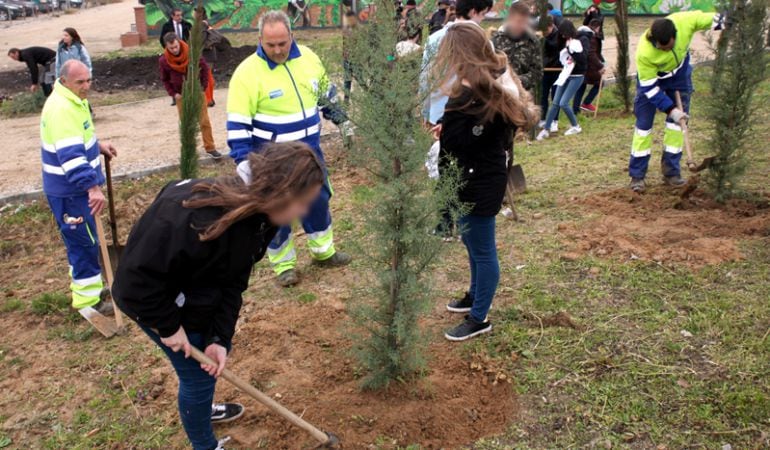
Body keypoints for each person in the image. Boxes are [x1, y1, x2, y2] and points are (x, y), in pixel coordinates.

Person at [112, 142, 325, 450]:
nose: (304, 212)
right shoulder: (189, 216)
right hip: (152, 299)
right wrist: (169, 327)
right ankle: (204, 444)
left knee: (206, 368)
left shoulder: (259, 219)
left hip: (196, 293)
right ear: (280, 192)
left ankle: (200, 408)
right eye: (302, 203)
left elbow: (234, 281)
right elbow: (133, 285)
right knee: (198, 378)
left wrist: (219, 338)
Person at [226, 11, 351, 287]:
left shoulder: (309, 59)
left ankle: (323, 251)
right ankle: (284, 265)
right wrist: (243, 161)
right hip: (271, 161)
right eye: (271, 45)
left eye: (282, 43)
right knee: (276, 211)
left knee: (318, 200)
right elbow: (237, 127)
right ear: (260, 40)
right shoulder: (246, 74)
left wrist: (343, 120)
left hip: (310, 153)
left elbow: (325, 97)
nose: (278, 50)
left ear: (291, 36)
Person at [433, 23, 538, 341]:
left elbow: (486, 134)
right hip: (471, 175)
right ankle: (474, 296)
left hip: (479, 181)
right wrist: (448, 129)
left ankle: (479, 318)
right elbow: (469, 137)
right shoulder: (473, 87)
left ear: (461, 54)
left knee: (482, 249)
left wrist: (454, 132)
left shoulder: (483, 92)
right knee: (472, 243)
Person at [40, 60, 117, 315]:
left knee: (88, 240)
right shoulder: (62, 109)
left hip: (75, 190)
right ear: (63, 81)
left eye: (88, 80)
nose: (86, 87)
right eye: (80, 82)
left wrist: (97, 146)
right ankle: (87, 304)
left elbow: (80, 138)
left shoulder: (73, 100)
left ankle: (92, 287)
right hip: (70, 191)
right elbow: (71, 157)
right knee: (83, 243)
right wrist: (92, 188)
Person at [628, 11, 725, 193]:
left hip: (679, 76)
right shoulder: (644, 52)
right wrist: (671, 110)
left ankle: (671, 172)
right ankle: (637, 176)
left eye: (668, 46)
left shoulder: (684, 22)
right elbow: (650, 89)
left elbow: (710, 19)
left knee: (676, 127)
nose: (664, 49)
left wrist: (732, 19)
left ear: (675, 36)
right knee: (643, 128)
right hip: (653, 80)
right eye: (661, 47)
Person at [421, 0, 494, 127]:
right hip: (472, 116)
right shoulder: (484, 42)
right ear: (473, 12)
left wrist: (424, 112)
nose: (482, 20)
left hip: (437, 114)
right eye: (483, 14)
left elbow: (425, 79)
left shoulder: (433, 39)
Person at [159, 33, 223, 160]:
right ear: (166, 47)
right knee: (186, 124)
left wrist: (203, 87)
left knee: (204, 121)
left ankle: (210, 147)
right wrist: (173, 94)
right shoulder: (163, 60)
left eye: (176, 46)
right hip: (181, 95)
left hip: (197, 92)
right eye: (171, 48)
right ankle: (189, 150)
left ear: (179, 42)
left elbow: (204, 69)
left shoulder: (192, 53)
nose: (175, 50)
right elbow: (165, 79)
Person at [536, 20, 586, 140]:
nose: (563, 36)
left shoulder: (578, 42)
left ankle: (576, 126)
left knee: (564, 103)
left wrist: (570, 51)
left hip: (576, 77)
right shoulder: (564, 42)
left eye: (564, 33)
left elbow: (582, 60)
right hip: (565, 75)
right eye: (561, 34)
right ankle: (546, 129)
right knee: (555, 102)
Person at [491, 1, 542, 95]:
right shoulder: (496, 40)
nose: (521, 26)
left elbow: (537, 72)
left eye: (525, 22)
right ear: (510, 19)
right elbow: (488, 67)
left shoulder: (533, 42)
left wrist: (520, 81)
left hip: (523, 96)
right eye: (519, 21)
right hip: (499, 95)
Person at [573, 19, 604, 114]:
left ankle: (576, 109)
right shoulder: (591, 37)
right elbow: (591, 53)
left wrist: (601, 59)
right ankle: (586, 103)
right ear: (597, 27)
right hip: (589, 66)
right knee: (600, 83)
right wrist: (600, 66)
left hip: (580, 64)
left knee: (581, 85)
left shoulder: (580, 34)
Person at [539, 15, 562, 130]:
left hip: (557, 70)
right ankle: (542, 119)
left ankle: (554, 121)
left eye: (546, 30)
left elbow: (554, 47)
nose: (544, 32)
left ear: (551, 26)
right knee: (543, 96)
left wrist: (544, 40)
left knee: (555, 96)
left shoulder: (559, 35)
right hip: (545, 70)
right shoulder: (542, 35)